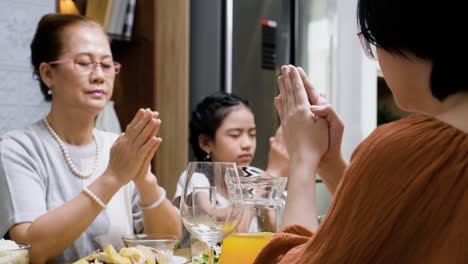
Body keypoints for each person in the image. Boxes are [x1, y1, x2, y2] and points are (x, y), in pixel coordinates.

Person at [253, 0, 468, 262]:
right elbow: (392, 221)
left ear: (405, 35)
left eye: (372, 42)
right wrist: (330, 164)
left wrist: (302, 159)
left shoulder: (418, 148)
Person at [0, 14, 181, 263]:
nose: (99, 75)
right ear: (48, 74)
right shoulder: (18, 148)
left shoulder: (118, 146)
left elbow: (169, 241)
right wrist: (113, 178)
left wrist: (144, 178)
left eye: (107, 65)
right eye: (84, 63)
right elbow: (31, 249)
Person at [172, 92, 289, 248]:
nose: (247, 144)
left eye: (252, 134)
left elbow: (281, 237)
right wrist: (272, 175)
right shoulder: (197, 178)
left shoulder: (256, 176)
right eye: (235, 135)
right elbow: (228, 238)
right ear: (206, 142)